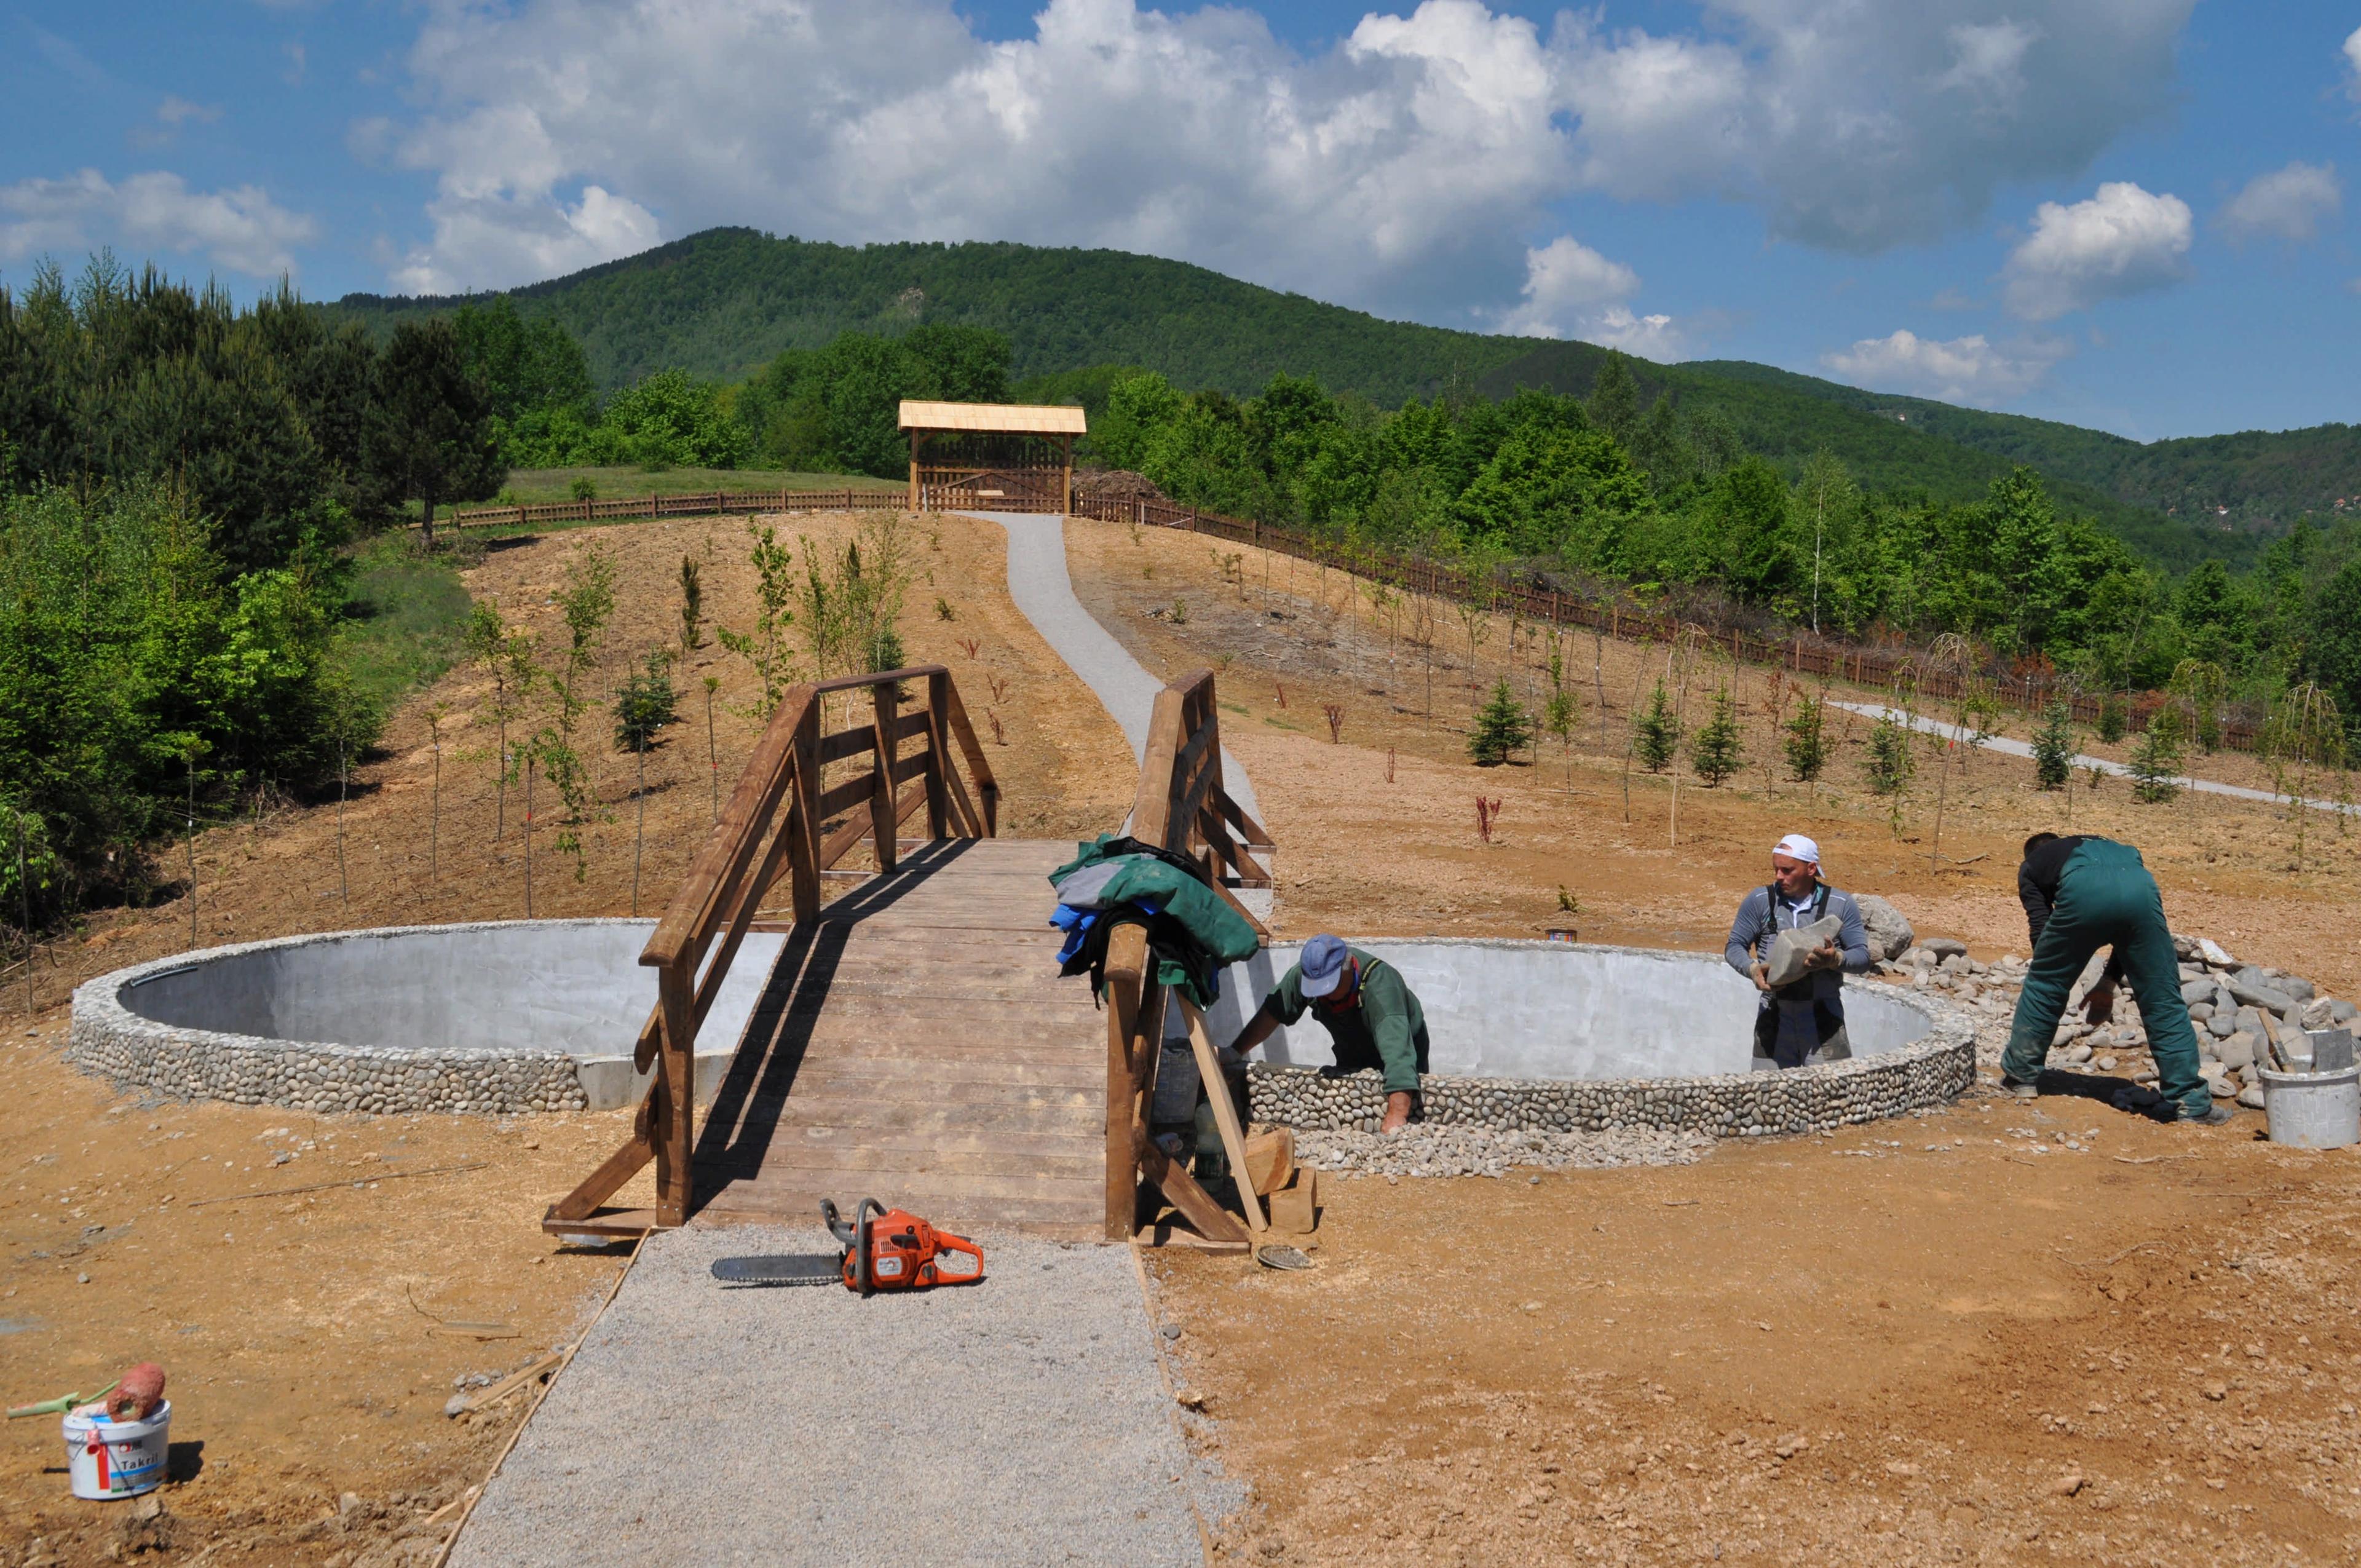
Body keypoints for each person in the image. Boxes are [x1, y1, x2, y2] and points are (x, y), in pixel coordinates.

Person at [2000, 833, 2221, 1123]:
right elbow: (2128, 933)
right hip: (2140, 885)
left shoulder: (2032, 866)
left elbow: (2040, 926)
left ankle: (2021, 1077)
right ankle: (2191, 1104)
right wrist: (2108, 982)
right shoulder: (2108, 846)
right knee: (2163, 1000)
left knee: (2044, 986)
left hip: (2083, 890)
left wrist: (2053, 970)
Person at [1224, 934, 1430, 1133]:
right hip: (1352, 1046)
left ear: (1347, 968)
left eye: (1328, 987)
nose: (1322, 995)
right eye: (1316, 990)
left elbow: (1399, 1055)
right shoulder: (1307, 974)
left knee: (1406, 1111)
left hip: (1402, 1047)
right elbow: (1273, 1011)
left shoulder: (1381, 988)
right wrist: (1235, 1052)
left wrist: (1397, 1115)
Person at [1725, 833, 1872, 1070]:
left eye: (1787, 870)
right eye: (1776, 869)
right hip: (1773, 1015)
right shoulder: (1761, 901)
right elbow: (1734, 947)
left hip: (1823, 1016)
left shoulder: (1841, 904)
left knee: (1831, 1093)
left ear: (1811, 869)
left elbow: (1863, 957)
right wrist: (1753, 970)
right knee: (1769, 1095)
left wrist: (1835, 960)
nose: (1778, 877)